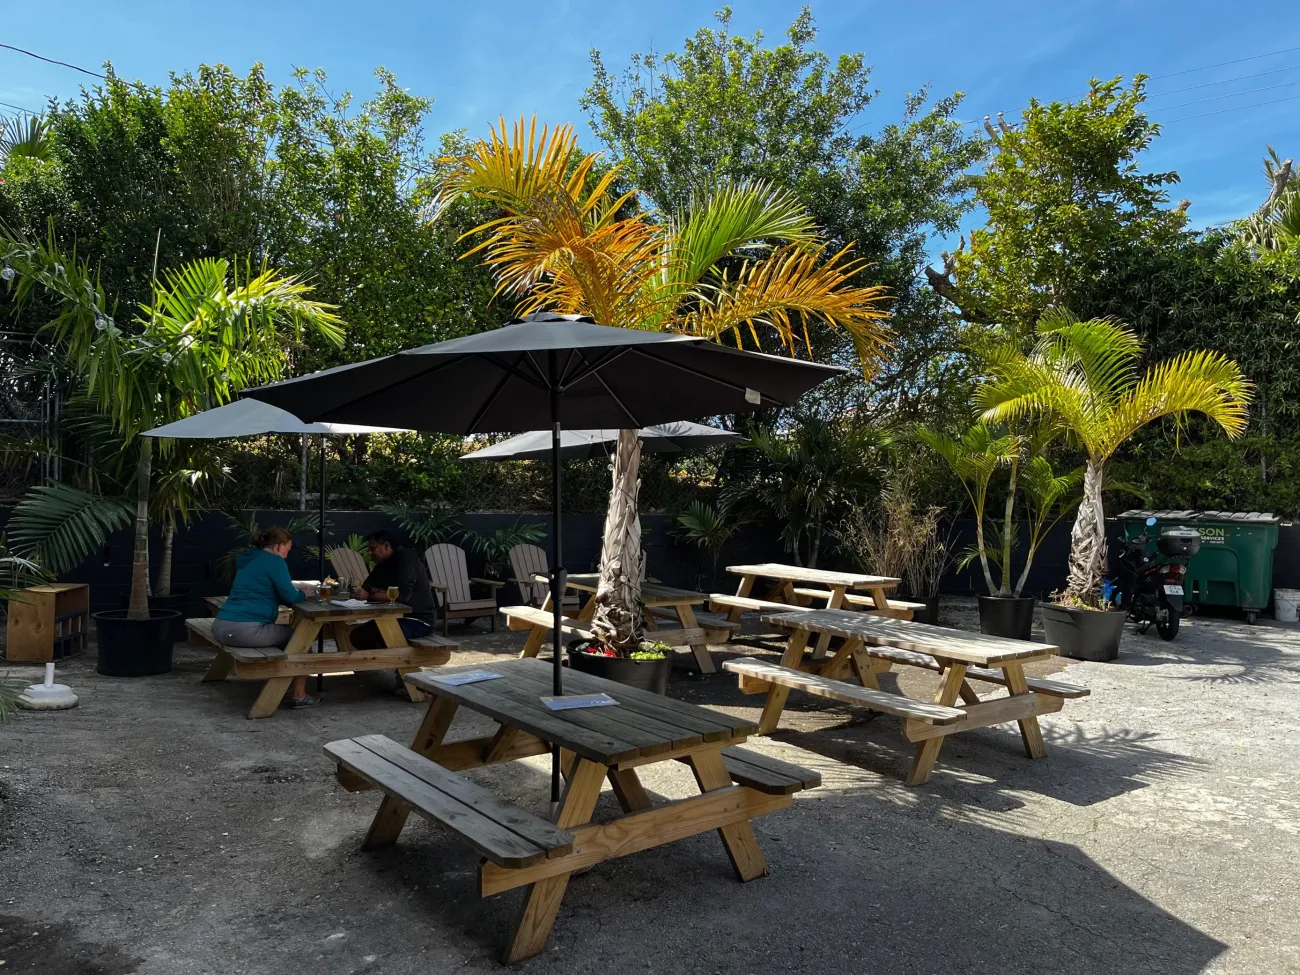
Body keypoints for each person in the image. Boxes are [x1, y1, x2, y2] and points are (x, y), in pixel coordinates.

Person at [213, 527, 319, 709]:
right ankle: (300, 696)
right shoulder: (275, 562)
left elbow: (262, 590)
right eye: (287, 549)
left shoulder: (248, 559)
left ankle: (288, 685)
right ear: (279, 546)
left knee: (291, 637)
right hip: (245, 631)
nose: (287, 555)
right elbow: (291, 597)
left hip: (220, 626)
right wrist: (304, 592)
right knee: (303, 641)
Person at [349, 529, 438, 650]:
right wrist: (377, 592)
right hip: (393, 617)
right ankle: (380, 664)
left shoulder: (406, 559)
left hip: (418, 621)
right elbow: (367, 586)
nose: (370, 553)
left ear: (386, 546)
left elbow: (402, 596)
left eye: (373, 548)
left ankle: (398, 664)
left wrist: (371, 595)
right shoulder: (383, 563)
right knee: (358, 635)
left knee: (368, 635)